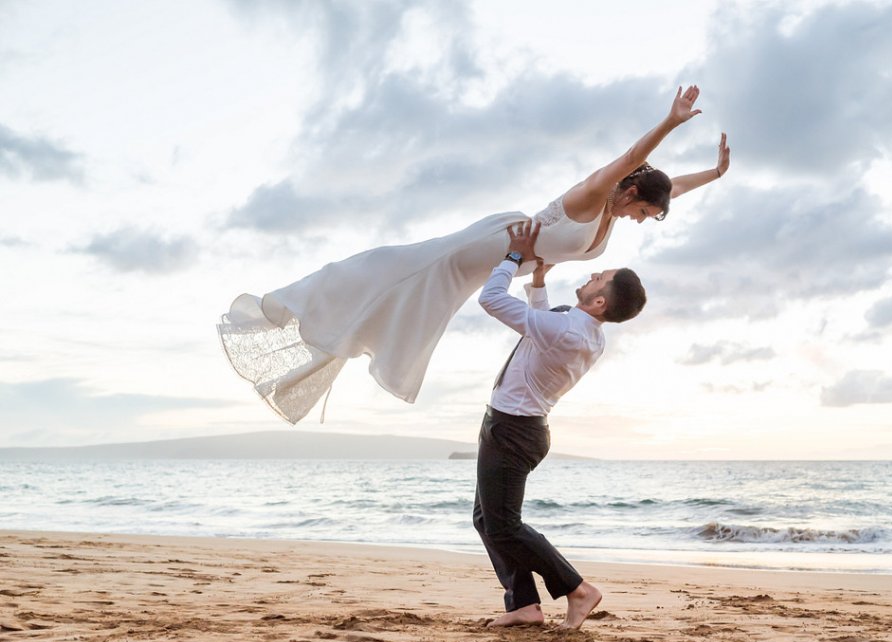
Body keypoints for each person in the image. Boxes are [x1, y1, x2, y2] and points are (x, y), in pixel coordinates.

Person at [218, 85, 728, 424]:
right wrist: (670, 122)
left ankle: (334, 332)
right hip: (497, 244)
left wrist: (715, 174)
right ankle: (296, 306)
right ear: (630, 192)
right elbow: (633, 159)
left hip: (514, 256)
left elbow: (672, 185)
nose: (639, 221)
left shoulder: (614, 215)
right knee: (397, 274)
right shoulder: (595, 194)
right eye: (642, 212)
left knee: (410, 301)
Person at [474, 218, 646, 629]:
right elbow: (542, 329)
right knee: (488, 520)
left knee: (504, 524)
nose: (592, 274)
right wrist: (537, 282)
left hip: (512, 430)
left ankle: (578, 589)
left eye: (599, 277)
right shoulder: (585, 332)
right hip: (519, 427)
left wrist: (513, 256)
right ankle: (524, 606)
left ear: (600, 302)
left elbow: (491, 299)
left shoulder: (568, 329)